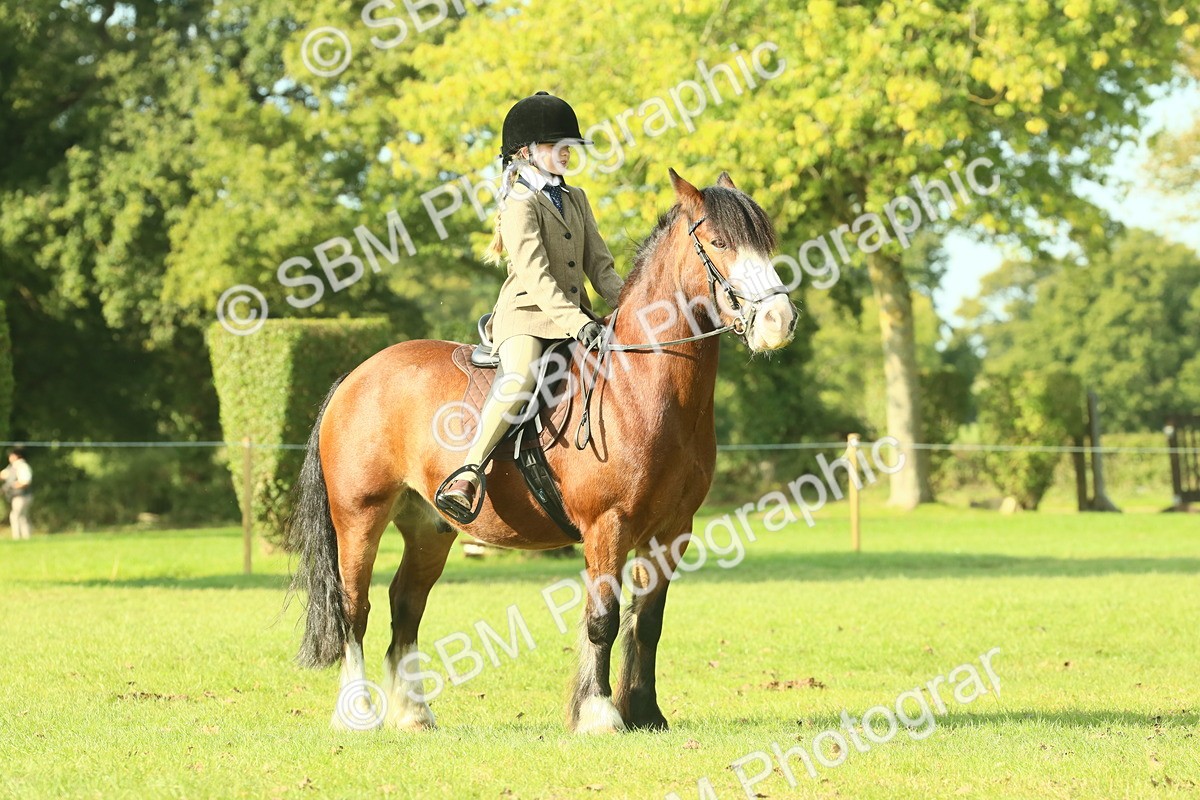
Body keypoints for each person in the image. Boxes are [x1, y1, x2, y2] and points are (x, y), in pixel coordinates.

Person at [436, 91, 625, 518]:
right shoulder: (519, 202)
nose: (567, 152)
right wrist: (577, 322)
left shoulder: (576, 198)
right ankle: (467, 472)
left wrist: (630, 305)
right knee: (520, 378)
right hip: (527, 317)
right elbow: (536, 276)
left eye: (569, 145)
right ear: (526, 152)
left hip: (577, 318)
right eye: (556, 145)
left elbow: (602, 269)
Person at [1, 447, 33, 540]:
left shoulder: (22, 466)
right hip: (17, 496)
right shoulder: (12, 467)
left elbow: (25, 482)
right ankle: (26, 537)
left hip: (22, 496)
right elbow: (3, 475)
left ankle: (17, 537)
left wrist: (12, 486)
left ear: (16, 456)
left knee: (15, 516)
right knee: (22, 517)